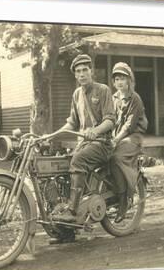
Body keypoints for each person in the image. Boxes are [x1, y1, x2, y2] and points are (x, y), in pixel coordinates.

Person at [48, 54, 116, 224]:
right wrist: (50, 136)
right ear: (75, 75)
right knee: (62, 165)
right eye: (78, 71)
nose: (82, 74)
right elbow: (72, 123)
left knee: (77, 161)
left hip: (102, 143)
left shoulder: (103, 90)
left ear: (91, 71)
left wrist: (95, 131)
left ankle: (72, 212)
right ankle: (66, 224)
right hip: (84, 143)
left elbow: (110, 119)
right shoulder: (77, 93)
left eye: (85, 70)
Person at [109, 62, 148, 222]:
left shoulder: (135, 98)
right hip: (118, 136)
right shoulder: (114, 98)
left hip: (133, 137)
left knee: (116, 158)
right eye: (116, 79)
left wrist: (115, 140)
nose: (119, 82)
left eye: (123, 79)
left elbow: (129, 125)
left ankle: (124, 200)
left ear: (129, 80)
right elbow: (109, 119)